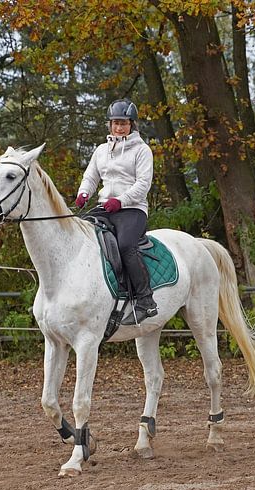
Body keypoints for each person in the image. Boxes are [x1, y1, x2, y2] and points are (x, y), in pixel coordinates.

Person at [75, 98, 158, 325]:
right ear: (110, 125)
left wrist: (120, 201)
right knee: (79, 234)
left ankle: (145, 301)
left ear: (132, 124)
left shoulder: (142, 150)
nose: (119, 127)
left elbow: (143, 184)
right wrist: (84, 194)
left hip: (132, 209)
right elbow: (91, 177)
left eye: (123, 123)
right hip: (106, 207)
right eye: (115, 123)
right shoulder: (101, 150)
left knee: (125, 245)